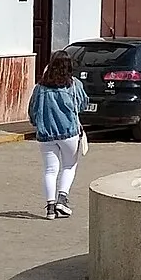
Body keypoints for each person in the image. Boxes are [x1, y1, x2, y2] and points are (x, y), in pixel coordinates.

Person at [30, 51, 88, 220]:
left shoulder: (40, 87)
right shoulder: (74, 85)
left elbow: (32, 110)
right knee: (69, 166)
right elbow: (83, 104)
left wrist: (38, 123)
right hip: (69, 133)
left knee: (50, 170)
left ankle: (50, 208)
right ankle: (62, 199)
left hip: (45, 134)